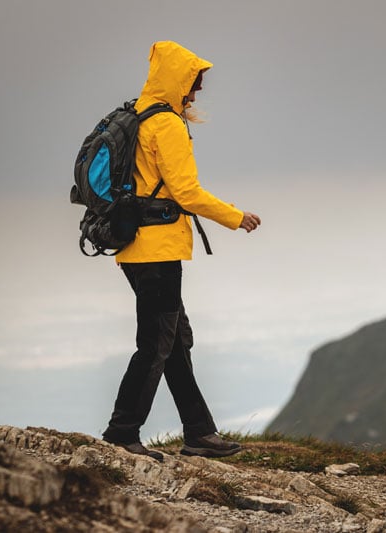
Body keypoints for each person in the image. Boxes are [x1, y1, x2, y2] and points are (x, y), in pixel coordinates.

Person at [101, 41, 261, 461]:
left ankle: (198, 432)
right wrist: (234, 216)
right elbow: (185, 190)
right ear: (179, 80)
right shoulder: (166, 124)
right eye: (196, 80)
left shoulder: (137, 115)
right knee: (156, 342)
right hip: (156, 248)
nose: (199, 90)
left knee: (175, 339)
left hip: (135, 245)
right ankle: (122, 432)